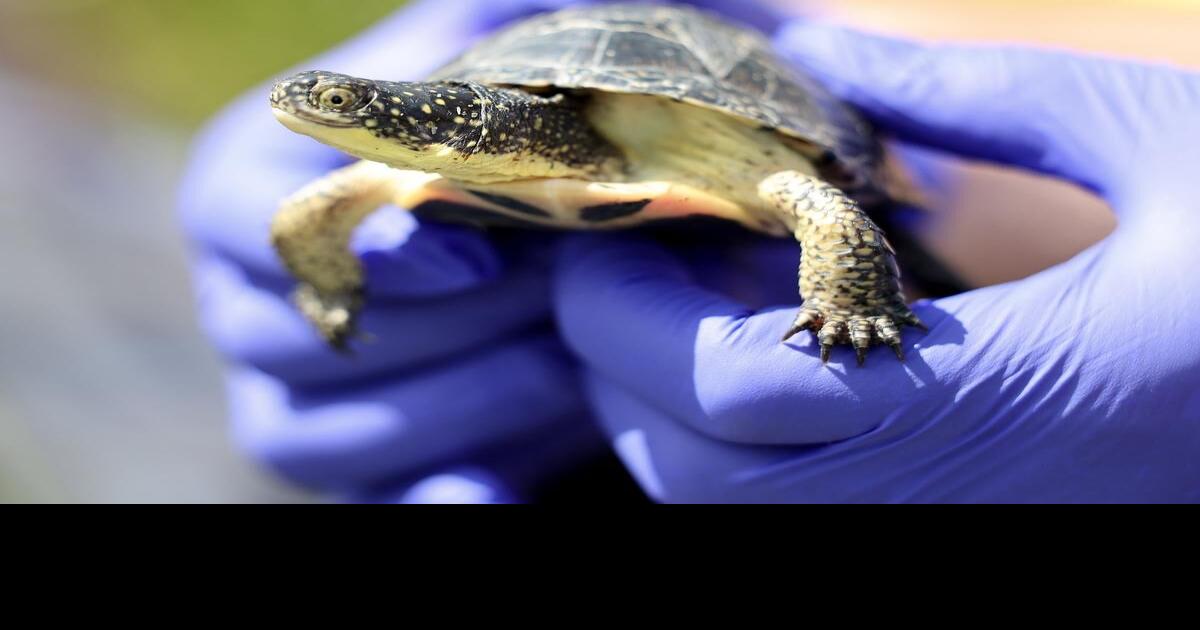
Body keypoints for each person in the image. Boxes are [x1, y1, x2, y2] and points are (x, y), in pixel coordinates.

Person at [179, 0, 1200, 503]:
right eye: (330, 108)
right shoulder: (407, 161)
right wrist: (321, 278)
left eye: (346, 103)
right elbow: (307, 216)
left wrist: (860, 295)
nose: (316, 110)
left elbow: (816, 197)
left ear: (421, 112)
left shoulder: (679, 134)